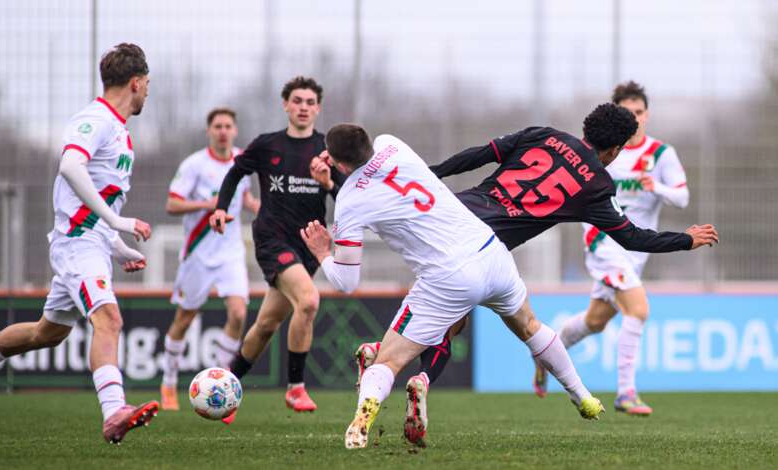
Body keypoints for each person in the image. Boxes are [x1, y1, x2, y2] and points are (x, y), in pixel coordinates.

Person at [342, 103, 718, 442]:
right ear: (616, 150)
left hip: (449, 219)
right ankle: (412, 372)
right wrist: (685, 240)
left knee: (449, 321)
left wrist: (431, 175)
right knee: (514, 323)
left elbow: (478, 155)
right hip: (484, 250)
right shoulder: (597, 185)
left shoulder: (544, 135)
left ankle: (389, 358)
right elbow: (632, 237)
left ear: (586, 127)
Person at [302, 124, 604, 450]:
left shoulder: (348, 201)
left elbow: (347, 282)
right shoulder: (392, 144)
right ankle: (584, 398)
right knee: (531, 326)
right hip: (491, 251)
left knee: (387, 362)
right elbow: (372, 171)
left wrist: (322, 253)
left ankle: (361, 421)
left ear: (337, 162)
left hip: (448, 277)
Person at [0, 43, 158, 444]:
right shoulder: (95, 120)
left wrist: (117, 245)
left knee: (46, 333)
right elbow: (70, 166)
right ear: (137, 82)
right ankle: (114, 412)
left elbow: (93, 200)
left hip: (90, 243)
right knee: (109, 319)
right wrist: (116, 222)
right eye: (147, 84)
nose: (147, 92)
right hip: (77, 246)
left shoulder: (119, 131)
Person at [551, 82, 690, 416]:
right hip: (603, 242)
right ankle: (626, 393)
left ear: (647, 114)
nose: (636, 119)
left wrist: (656, 187)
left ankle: (547, 350)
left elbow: (683, 198)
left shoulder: (661, 154)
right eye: (629, 113)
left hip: (637, 249)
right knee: (638, 310)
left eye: (640, 112)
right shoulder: (604, 151)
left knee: (595, 321)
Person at [209, 76, 343, 421]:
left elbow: (347, 196)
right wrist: (221, 207)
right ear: (285, 105)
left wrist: (328, 183)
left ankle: (227, 388)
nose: (303, 107)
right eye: (297, 101)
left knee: (266, 324)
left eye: (310, 102)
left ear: (318, 108)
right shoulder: (267, 145)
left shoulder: (326, 150)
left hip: (308, 245)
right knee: (309, 300)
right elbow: (234, 173)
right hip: (272, 239)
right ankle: (295, 387)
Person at [159, 108, 260, 411]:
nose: (223, 131)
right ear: (209, 131)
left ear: (235, 130)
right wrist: (209, 204)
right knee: (185, 318)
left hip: (231, 253)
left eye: (228, 126)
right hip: (199, 254)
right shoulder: (195, 165)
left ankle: (220, 379)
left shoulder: (242, 160)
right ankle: (168, 382)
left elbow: (245, 198)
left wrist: (263, 209)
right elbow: (172, 204)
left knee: (238, 314)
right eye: (217, 126)